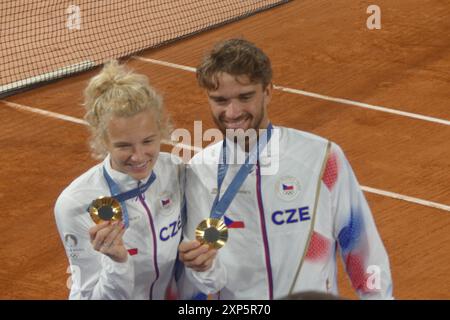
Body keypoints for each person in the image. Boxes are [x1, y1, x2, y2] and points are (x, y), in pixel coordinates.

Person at [178, 38, 393, 299]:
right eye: (220, 100)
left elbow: (362, 247)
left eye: (245, 97)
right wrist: (203, 267)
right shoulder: (199, 171)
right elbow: (205, 284)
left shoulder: (323, 157)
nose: (232, 112)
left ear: (268, 90)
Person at [54, 61, 184, 299]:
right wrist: (118, 262)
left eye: (148, 141)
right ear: (103, 141)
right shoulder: (76, 203)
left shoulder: (174, 170)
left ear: (162, 131)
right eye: (124, 145)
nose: (138, 156)